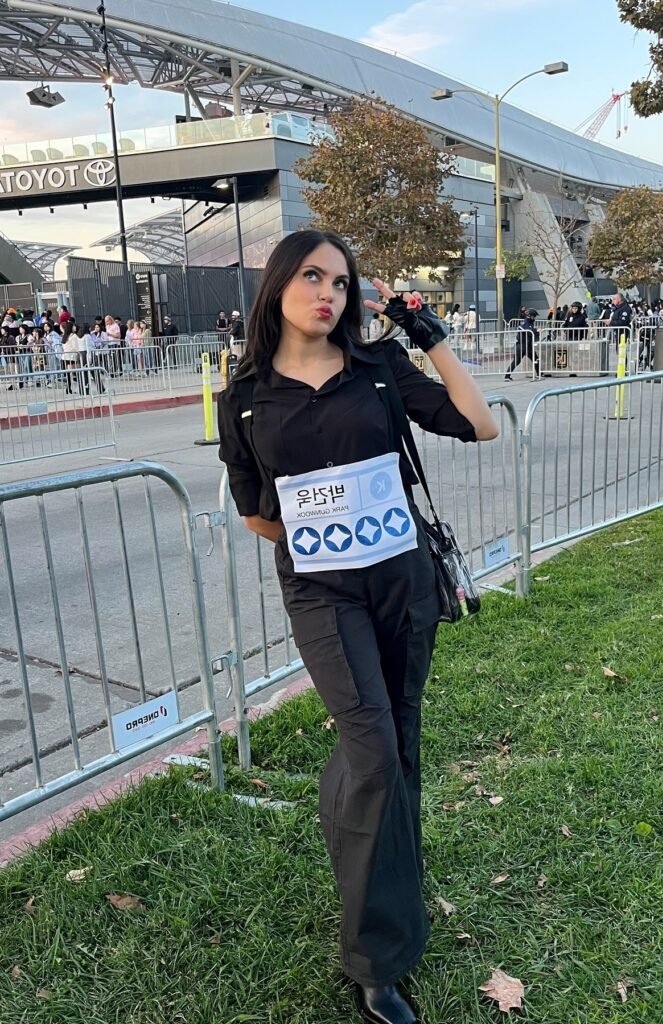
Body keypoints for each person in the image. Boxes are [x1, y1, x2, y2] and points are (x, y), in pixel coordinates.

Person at [217, 229, 498, 1024]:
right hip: (321, 595)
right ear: (276, 287)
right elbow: (255, 514)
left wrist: (425, 332)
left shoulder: (377, 371)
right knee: (370, 748)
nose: (327, 294)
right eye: (311, 276)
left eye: (339, 282)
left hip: (402, 584)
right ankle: (375, 962)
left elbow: (479, 425)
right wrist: (322, 530)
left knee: (395, 743)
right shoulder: (242, 397)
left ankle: (390, 881)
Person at [505, 308, 540, 380]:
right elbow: (528, 331)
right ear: (530, 316)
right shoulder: (525, 322)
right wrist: (536, 330)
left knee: (517, 361)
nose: (534, 318)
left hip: (523, 345)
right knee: (534, 359)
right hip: (524, 345)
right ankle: (539, 374)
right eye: (534, 316)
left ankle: (507, 376)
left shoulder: (528, 322)